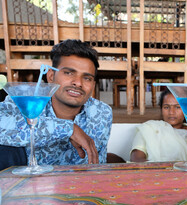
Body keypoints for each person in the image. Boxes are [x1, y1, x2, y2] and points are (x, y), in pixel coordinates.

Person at [0, 39, 112, 168]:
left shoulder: (101, 112)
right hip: (26, 184)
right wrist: (68, 129)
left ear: (93, 84)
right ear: (51, 76)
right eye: (69, 73)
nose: (78, 83)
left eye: (87, 78)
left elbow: (97, 164)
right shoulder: (26, 100)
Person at [130, 89, 187, 162]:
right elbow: (136, 159)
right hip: (155, 171)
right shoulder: (149, 128)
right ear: (161, 109)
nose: (171, 112)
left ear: (186, 109)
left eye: (177, 107)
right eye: (166, 107)